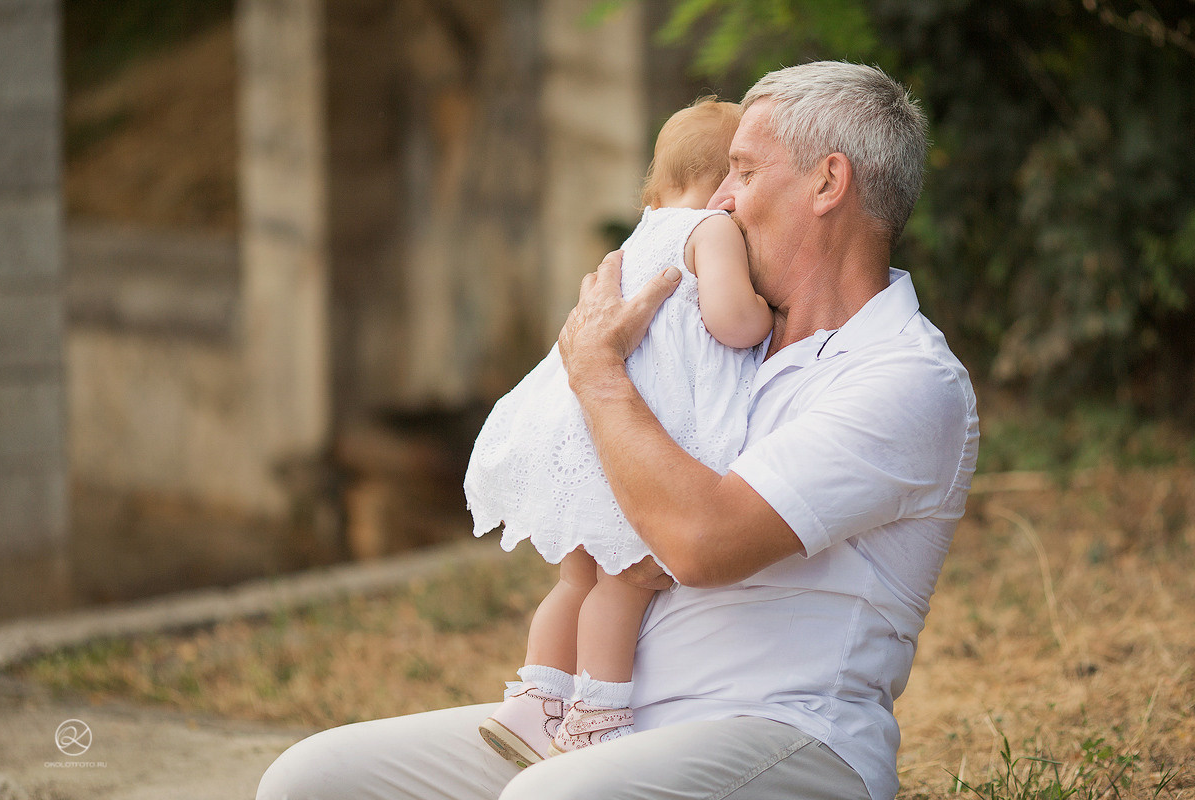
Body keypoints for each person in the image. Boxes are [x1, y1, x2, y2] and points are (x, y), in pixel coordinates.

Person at [256, 60, 980, 800]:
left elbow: (703, 543)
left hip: (787, 736)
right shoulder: (716, 341)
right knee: (311, 781)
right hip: (610, 718)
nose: (722, 200)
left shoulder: (905, 378)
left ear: (828, 184)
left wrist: (599, 373)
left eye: (744, 171)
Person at [464, 98, 772, 766]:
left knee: (575, 581)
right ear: (727, 186)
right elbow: (732, 322)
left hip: (583, 442)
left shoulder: (641, 234)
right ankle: (596, 715)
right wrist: (764, 312)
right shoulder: (711, 231)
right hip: (636, 446)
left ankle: (533, 701)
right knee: (625, 582)